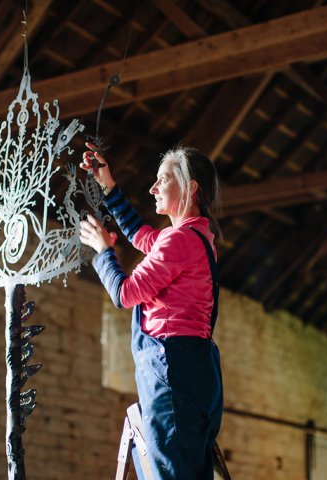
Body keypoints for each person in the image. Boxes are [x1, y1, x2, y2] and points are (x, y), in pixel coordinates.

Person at [79, 142, 224, 479]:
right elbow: (138, 235)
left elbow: (125, 293)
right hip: (198, 369)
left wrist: (102, 252)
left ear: (190, 189)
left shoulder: (178, 240)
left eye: (163, 179)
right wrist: (108, 186)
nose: (153, 188)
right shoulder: (198, 237)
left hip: (171, 370)